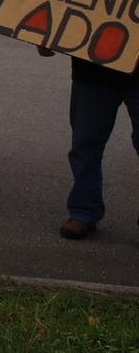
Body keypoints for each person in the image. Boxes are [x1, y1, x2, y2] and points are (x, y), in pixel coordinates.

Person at [59, 55, 139, 241]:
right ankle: (83, 212)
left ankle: (84, 211)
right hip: (93, 70)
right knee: (85, 144)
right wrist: (44, 37)